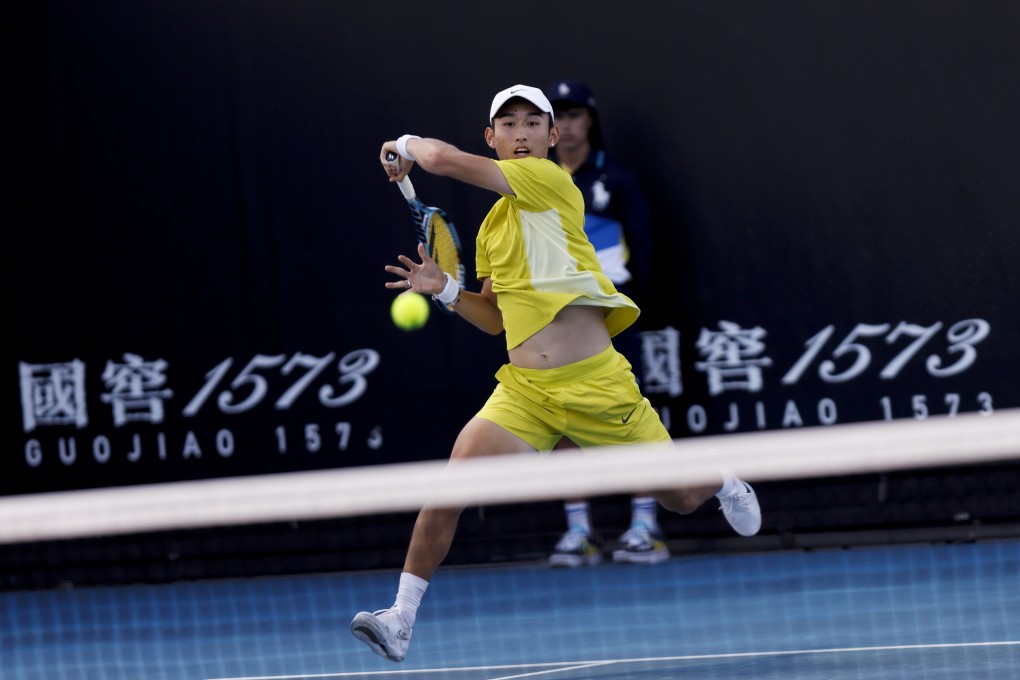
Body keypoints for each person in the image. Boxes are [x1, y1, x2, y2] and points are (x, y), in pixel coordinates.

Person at [350, 84, 761, 663]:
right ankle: (400, 618)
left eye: (532, 123)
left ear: (552, 136)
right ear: (491, 137)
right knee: (447, 491)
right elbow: (494, 320)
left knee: (681, 497)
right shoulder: (492, 227)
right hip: (526, 393)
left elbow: (439, 158)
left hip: (597, 384)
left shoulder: (549, 181)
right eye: (508, 124)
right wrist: (445, 290)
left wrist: (403, 144)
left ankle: (720, 479)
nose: (520, 133)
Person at [544, 79, 666, 568]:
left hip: (610, 317)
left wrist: (621, 306)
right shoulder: (533, 182)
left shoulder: (616, 180)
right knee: (563, 421)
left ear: (589, 120)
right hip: (555, 319)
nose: (566, 125)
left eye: (574, 115)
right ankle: (580, 532)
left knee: (629, 417)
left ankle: (645, 526)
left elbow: (642, 247)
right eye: (557, 117)